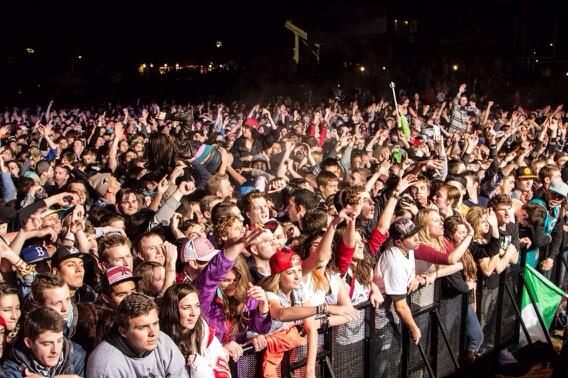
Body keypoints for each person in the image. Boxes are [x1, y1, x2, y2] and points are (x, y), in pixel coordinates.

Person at [86, 293, 188, 377]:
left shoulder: (164, 343)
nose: (153, 333)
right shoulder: (105, 364)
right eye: (142, 327)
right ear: (123, 332)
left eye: (155, 323)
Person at [160, 282, 231, 377]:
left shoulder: (204, 334)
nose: (194, 313)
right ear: (172, 310)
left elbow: (222, 374)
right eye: (186, 308)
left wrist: (198, 364)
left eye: (197, 306)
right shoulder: (158, 340)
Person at [1, 307, 85, 377]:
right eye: (47, 343)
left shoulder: (77, 356)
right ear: (29, 343)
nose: (55, 350)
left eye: (60, 341)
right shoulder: (12, 368)